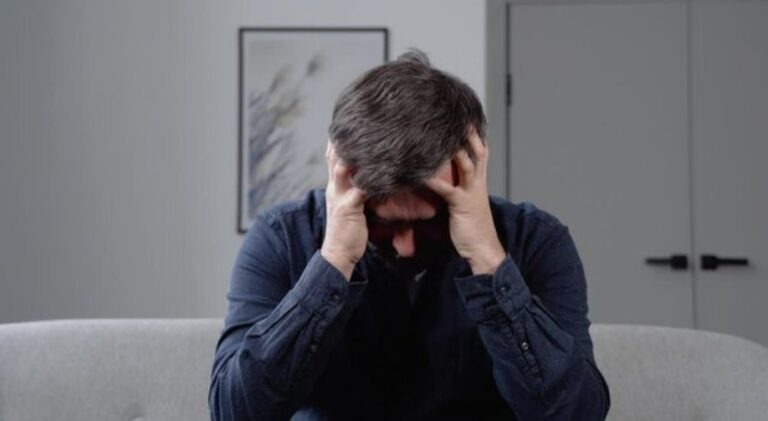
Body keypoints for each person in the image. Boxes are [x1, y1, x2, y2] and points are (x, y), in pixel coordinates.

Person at [209, 50, 610, 420]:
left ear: (471, 170)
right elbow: (234, 413)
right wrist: (333, 263)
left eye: (429, 225)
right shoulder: (281, 238)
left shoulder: (537, 241)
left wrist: (489, 261)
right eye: (385, 225)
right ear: (344, 175)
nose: (406, 246)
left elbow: (577, 414)